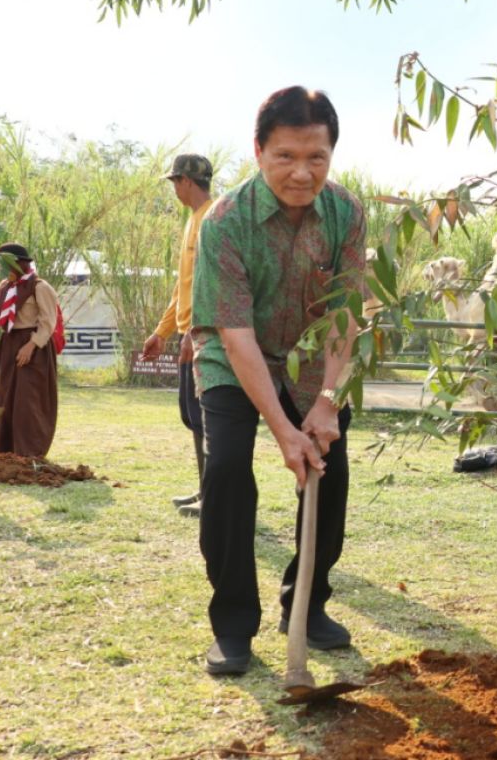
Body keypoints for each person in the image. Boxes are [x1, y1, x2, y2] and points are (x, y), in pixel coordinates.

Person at [191, 86, 366, 675]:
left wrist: (325, 403)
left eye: (316, 157)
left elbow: (347, 315)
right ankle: (234, 622)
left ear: (331, 155)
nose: (301, 172)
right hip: (232, 361)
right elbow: (235, 334)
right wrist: (281, 428)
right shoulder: (226, 222)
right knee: (226, 470)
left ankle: (308, 606)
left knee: (330, 472)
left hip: (315, 363)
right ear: (259, 150)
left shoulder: (347, 214)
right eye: (286, 156)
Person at [142, 154, 214, 518]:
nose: (174, 189)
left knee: (205, 417)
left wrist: (194, 333)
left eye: (174, 182)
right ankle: (205, 488)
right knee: (192, 415)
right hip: (189, 331)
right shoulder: (191, 221)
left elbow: (211, 285)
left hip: (207, 337)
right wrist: (163, 331)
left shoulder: (213, 220)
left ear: (186, 181)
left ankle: (214, 497)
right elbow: (183, 286)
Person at [0, 243, 60, 459]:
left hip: (33, 348)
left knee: (27, 400)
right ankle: (0, 449)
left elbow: (48, 322)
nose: (3, 270)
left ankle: (28, 451)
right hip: (9, 344)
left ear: (19, 264)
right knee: (3, 396)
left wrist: (31, 345)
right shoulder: (4, 287)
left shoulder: (40, 287)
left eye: (6, 265)